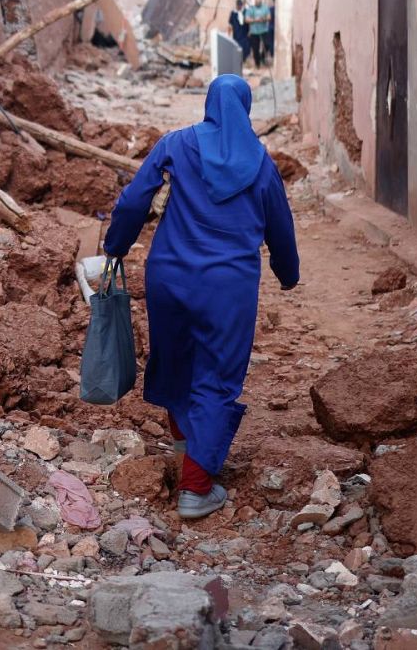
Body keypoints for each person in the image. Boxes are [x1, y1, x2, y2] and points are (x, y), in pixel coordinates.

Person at [101, 75, 300, 519]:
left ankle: (185, 444)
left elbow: (135, 200)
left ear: (209, 103)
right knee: (216, 375)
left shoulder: (176, 143)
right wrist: (288, 274)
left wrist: (116, 245)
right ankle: (196, 487)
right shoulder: (261, 164)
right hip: (228, 288)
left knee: (176, 360)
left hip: (168, 277)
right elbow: (280, 228)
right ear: (244, 109)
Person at [245, 0, 272, 68]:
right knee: (255, 49)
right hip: (254, 32)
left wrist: (264, 19)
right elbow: (247, 19)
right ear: (255, 2)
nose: (258, 3)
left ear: (261, 2)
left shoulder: (265, 8)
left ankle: (262, 56)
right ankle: (257, 64)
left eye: (259, 2)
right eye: (256, 2)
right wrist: (255, 20)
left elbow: (269, 17)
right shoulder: (251, 9)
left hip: (264, 31)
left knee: (267, 45)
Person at [228, 0, 252, 72]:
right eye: (237, 5)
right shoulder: (233, 13)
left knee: (246, 48)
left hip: (245, 33)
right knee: (237, 48)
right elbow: (230, 24)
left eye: (240, 5)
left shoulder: (246, 12)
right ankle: (239, 63)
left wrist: (250, 31)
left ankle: (244, 61)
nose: (239, 7)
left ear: (242, 5)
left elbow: (249, 22)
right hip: (237, 34)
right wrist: (229, 34)